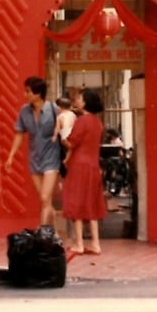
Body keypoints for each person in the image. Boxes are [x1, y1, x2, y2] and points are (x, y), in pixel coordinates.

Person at [4, 76, 61, 228]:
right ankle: (54, 233)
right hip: (35, 159)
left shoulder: (54, 110)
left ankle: (43, 232)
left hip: (51, 158)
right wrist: (11, 156)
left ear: (38, 93)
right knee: (45, 200)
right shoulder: (24, 111)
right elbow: (19, 134)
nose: (25, 95)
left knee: (44, 196)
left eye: (28, 91)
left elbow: (65, 129)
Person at [62, 87, 108, 260]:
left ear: (86, 101)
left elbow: (71, 143)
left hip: (79, 166)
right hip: (93, 165)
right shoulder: (98, 122)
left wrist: (62, 136)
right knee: (92, 203)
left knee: (76, 202)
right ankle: (95, 243)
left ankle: (79, 243)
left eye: (80, 98)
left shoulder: (82, 121)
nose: (78, 100)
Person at [53, 95, 76, 179]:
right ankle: (67, 160)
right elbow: (75, 125)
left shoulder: (59, 117)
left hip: (64, 137)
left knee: (68, 149)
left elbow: (57, 128)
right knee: (71, 149)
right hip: (72, 136)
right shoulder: (73, 114)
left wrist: (54, 137)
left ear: (59, 107)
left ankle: (66, 160)